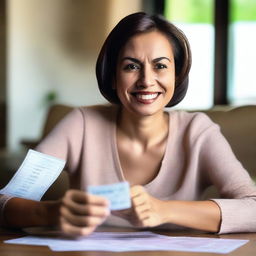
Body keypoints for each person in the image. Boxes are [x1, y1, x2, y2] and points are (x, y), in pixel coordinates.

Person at [1, 12, 256, 237]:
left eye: (160, 66)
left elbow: (253, 206)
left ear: (176, 76)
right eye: (131, 66)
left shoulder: (198, 132)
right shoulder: (80, 125)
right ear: (112, 76)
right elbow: (5, 202)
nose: (146, 81)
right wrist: (52, 213)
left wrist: (163, 210)